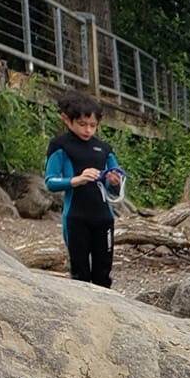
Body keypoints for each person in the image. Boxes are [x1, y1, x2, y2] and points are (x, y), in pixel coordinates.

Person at [43, 92, 125, 289]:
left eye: (93, 125)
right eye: (82, 124)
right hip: (76, 218)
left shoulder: (104, 149)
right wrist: (76, 180)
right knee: (80, 272)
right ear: (66, 119)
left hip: (104, 218)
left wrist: (115, 181)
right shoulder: (60, 146)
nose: (88, 130)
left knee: (103, 274)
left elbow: (116, 182)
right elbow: (50, 181)